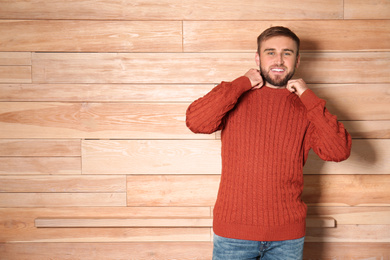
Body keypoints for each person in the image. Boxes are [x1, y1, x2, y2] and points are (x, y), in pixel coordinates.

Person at [185, 26, 352, 260]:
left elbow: (338, 150)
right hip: (233, 234)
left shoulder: (306, 107)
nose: (279, 60)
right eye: (270, 52)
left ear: (297, 59)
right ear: (257, 58)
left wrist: (308, 96)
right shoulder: (235, 96)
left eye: (287, 53)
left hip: (287, 237)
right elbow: (196, 122)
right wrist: (241, 82)